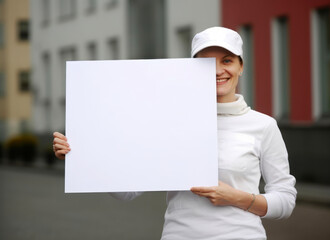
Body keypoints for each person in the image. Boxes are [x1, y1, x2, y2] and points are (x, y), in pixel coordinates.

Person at [53, 26, 297, 240]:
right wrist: (82, 156)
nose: (218, 70)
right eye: (206, 62)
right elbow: (127, 192)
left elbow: (285, 200)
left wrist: (235, 197)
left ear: (240, 66)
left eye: (227, 60)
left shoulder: (263, 126)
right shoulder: (168, 121)